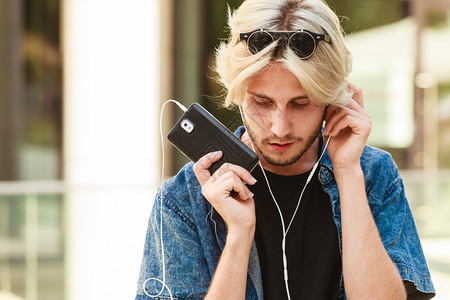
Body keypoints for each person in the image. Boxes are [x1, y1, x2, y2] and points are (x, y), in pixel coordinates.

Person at [135, 0, 436, 299]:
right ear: (238, 95)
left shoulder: (371, 174)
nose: (280, 128)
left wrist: (347, 173)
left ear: (334, 99)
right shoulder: (184, 197)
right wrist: (239, 237)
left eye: (300, 104)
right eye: (262, 103)